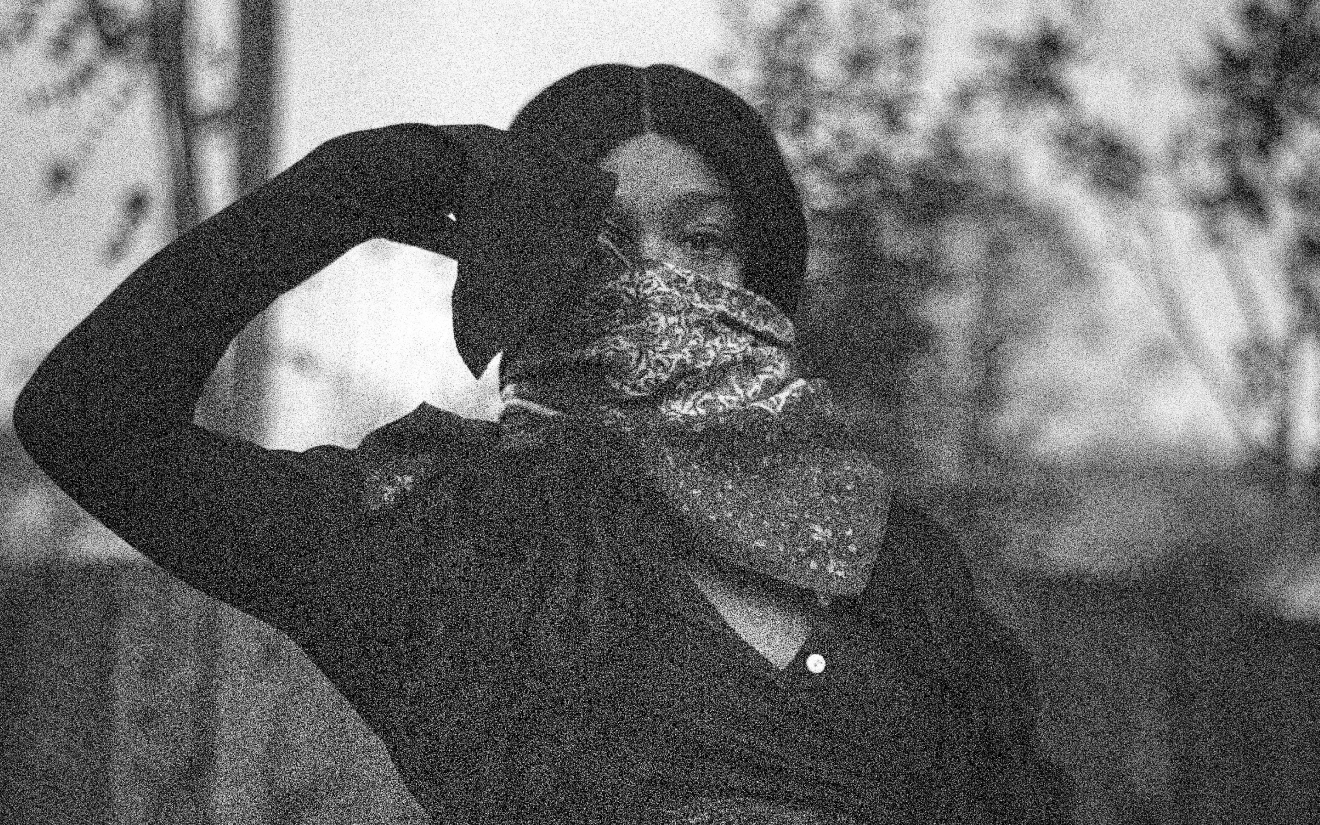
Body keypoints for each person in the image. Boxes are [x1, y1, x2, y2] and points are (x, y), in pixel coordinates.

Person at [13, 63, 1072, 823]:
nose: (656, 278)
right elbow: (90, 424)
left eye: (702, 239)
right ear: (530, 274)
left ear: (762, 271)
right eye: (603, 243)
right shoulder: (447, 542)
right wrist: (363, 182)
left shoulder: (892, 559)